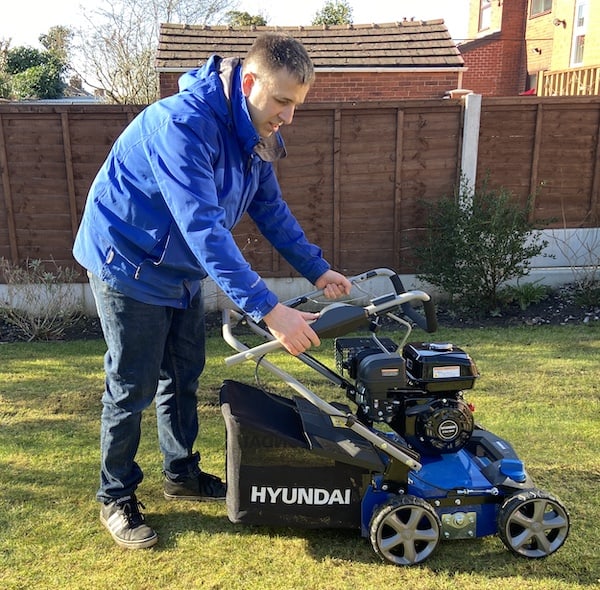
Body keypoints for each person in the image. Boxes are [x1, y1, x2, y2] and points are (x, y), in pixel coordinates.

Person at [73, 32, 352, 550]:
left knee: (182, 374)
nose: (288, 117)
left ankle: (180, 473)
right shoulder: (183, 126)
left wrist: (316, 270)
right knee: (131, 384)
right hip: (128, 261)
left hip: (177, 267)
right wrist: (270, 311)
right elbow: (204, 229)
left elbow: (269, 209)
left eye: (297, 105)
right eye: (283, 102)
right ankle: (116, 495)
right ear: (250, 83)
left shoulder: (256, 133)